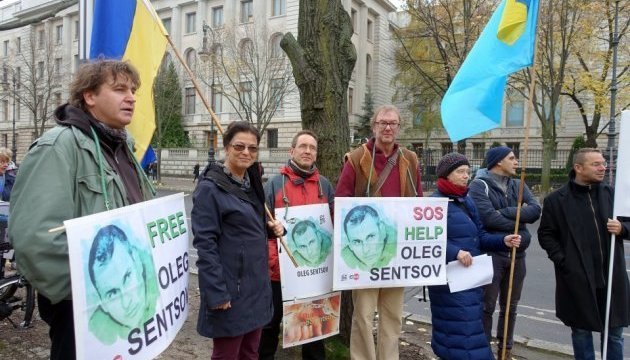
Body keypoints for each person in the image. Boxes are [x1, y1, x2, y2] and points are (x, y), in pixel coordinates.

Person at [8, 59, 154, 360]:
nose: (131, 97)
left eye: (133, 90)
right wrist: (94, 291)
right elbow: (35, 240)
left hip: (128, 300)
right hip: (82, 310)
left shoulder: (121, 147)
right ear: (89, 96)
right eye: (119, 89)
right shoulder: (57, 147)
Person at [336, 104, 423, 360]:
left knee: (392, 315)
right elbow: (341, 203)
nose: (387, 127)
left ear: (398, 128)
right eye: (382, 122)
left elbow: (418, 201)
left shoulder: (410, 159)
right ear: (373, 126)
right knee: (363, 315)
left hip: (396, 252)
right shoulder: (356, 158)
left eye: (392, 123)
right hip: (365, 251)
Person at [192, 121, 284, 360]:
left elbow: (245, 228)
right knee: (227, 355)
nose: (246, 152)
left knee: (250, 353)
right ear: (226, 147)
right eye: (239, 146)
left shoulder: (251, 183)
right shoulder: (210, 189)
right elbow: (205, 244)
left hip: (256, 289)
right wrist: (217, 293)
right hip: (230, 291)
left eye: (252, 148)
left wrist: (270, 229)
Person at [538, 148, 630, 360]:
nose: (603, 167)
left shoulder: (613, 195)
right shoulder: (556, 200)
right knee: (580, 331)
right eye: (596, 164)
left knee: (615, 333)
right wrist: (564, 261)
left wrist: (622, 229)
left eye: (603, 163)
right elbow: (546, 235)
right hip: (577, 278)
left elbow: (629, 222)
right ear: (578, 168)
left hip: (611, 277)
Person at [429, 152, 521, 360]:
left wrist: (502, 241)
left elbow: (479, 236)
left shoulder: (466, 200)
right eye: (460, 172)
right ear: (446, 175)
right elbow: (427, 242)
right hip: (448, 282)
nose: (466, 176)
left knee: (471, 332)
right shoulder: (434, 203)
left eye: (467, 171)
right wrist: (454, 252)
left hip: (470, 279)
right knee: (459, 334)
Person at [259, 130, 334, 360]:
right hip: (277, 273)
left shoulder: (325, 185)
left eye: (312, 147)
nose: (308, 151)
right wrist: (271, 229)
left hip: (312, 274)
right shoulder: (274, 184)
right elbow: (259, 226)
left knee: (312, 328)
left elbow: (332, 224)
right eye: (303, 146)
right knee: (269, 327)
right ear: (292, 151)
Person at [468, 146, 541, 359]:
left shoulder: (518, 185)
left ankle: (505, 349)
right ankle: (483, 350)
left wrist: (507, 212)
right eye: (511, 158)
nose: (516, 161)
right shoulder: (479, 186)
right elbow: (488, 218)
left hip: (518, 255)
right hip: (491, 255)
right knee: (487, 306)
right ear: (498, 162)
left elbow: (535, 210)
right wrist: (519, 222)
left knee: (511, 306)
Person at [88, 224, 159, 345]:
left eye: (127, 277)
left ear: (138, 263)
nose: (127, 302)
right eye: (112, 294)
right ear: (102, 304)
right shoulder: (95, 340)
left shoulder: (160, 289)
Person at [341, 205, 397, 271]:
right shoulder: (342, 262)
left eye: (371, 237)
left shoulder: (398, 248)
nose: (366, 250)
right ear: (349, 245)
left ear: (382, 231)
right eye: (357, 242)